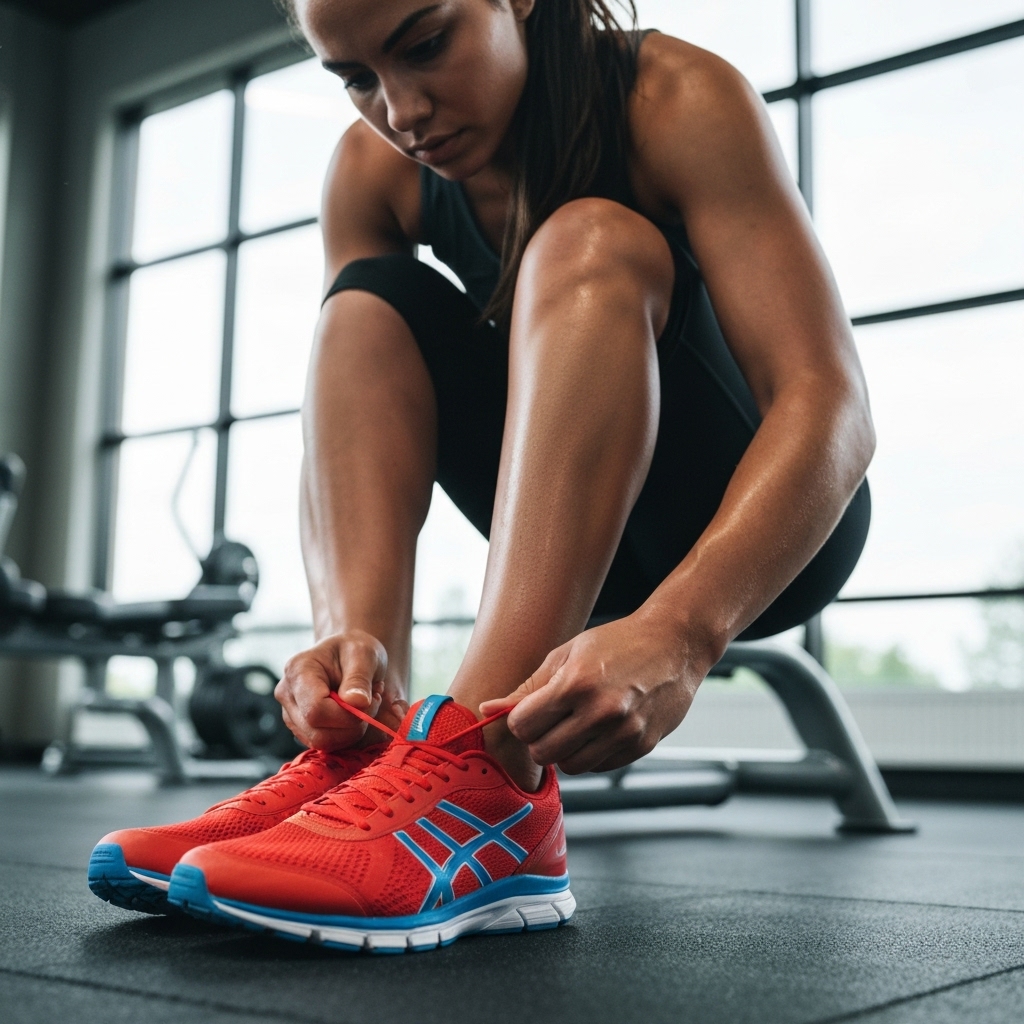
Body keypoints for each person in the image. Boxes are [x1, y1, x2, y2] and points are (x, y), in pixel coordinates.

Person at [90, 0, 874, 950]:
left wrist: (681, 631)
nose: (401, 110)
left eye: (425, 46)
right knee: (362, 309)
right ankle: (364, 740)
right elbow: (368, 399)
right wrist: (344, 636)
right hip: (573, 526)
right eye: (357, 76)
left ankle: (487, 778)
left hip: (757, 524)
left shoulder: (675, 98)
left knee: (590, 236)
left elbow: (831, 407)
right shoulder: (373, 170)